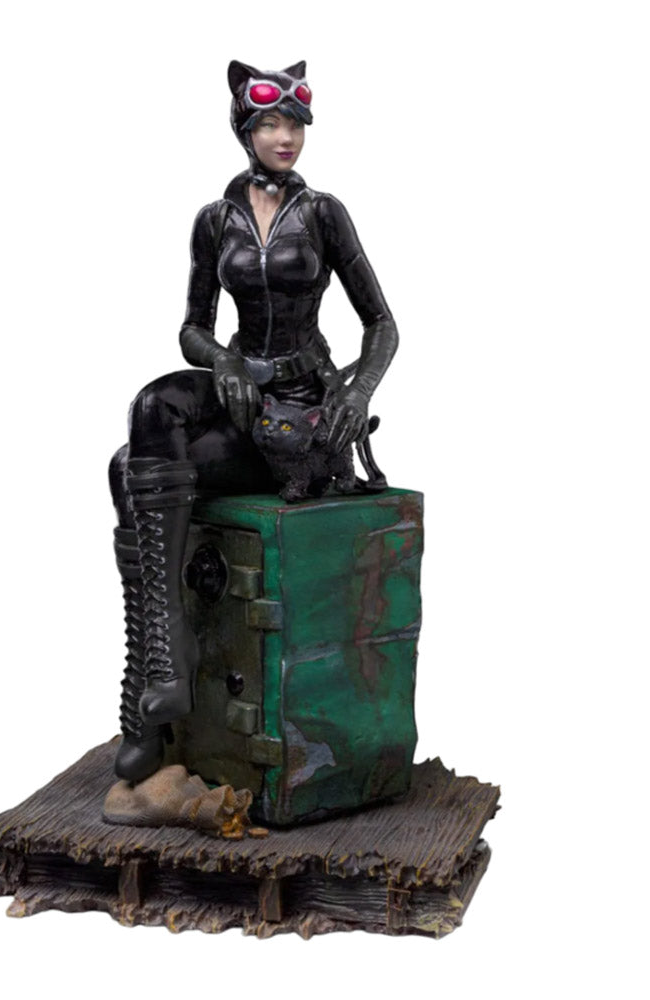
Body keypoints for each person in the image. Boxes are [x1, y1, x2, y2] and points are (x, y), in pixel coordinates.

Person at [109, 60, 399, 782]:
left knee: (125, 470)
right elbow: (192, 327)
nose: (285, 136)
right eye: (270, 123)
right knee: (151, 409)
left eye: (294, 123)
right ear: (245, 130)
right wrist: (225, 363)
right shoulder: (215, 220)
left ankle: (148, 703)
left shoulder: (324, 213)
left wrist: (358, 392)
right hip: (242, 395)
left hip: (302, 409)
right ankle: (163, 662)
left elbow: (382, 324)